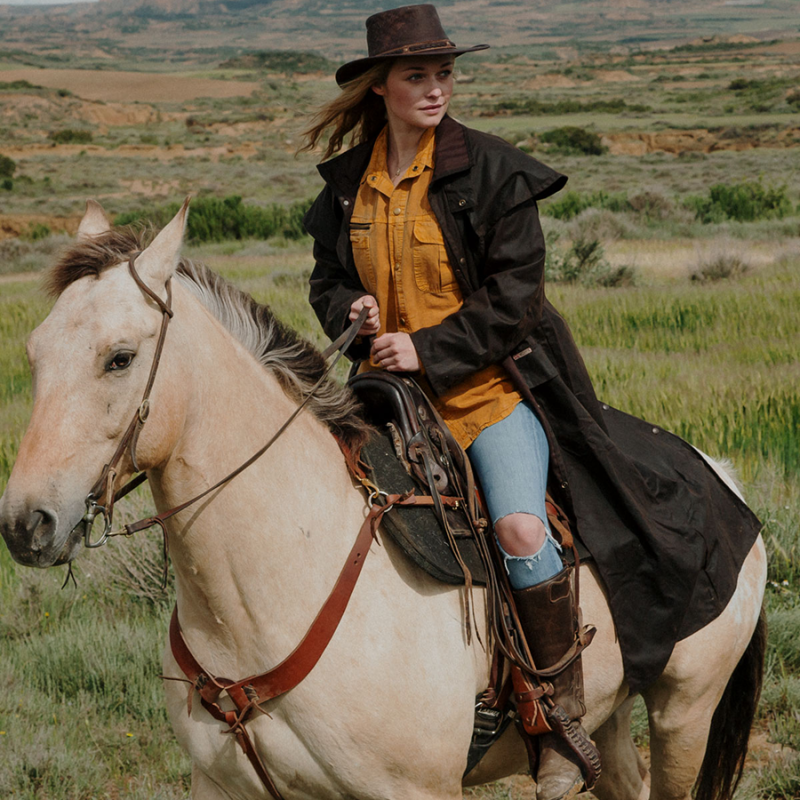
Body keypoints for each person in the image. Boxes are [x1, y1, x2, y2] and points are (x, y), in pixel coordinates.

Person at [301, 5, 761, 800]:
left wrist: (429, 347)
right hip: (389, 402)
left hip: (488, 393)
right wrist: (352, 311)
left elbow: (516, 297)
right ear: (380, 86)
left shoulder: (491, 172)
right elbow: (328, 277)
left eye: (444, 73)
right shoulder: (351, 184)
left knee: (517, 523)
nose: (436, 88)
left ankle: (556, 716)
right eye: (418, 75)